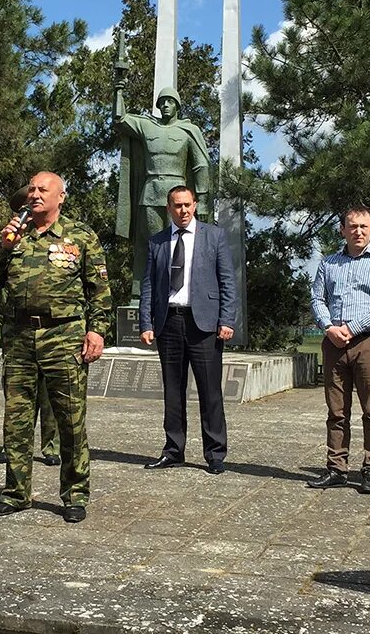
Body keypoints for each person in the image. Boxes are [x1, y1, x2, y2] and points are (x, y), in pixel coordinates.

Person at [0, 171, 112, 523]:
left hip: (64, 336)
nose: (35, 195)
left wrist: (97, 332)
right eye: (32, 190)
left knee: (70, 420)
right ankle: (16, 493)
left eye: (43, 190)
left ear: (61, 197)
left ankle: (74, 493)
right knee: (16, 420)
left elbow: (99, 291)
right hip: (20, 338)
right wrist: (5, 246)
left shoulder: (80, 236)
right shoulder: (15, 234)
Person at [138, 185, 236, 475]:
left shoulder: (214, 236)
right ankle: (173, 450)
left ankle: (215, 453)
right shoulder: (157, 242)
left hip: (204, 324)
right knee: (172, 391)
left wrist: (227, 320)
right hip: (169, 322)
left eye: (187, 205)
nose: (183, 211)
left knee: (210, 392)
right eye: (177, 206)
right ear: (169, 208)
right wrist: (146, 322)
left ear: (195, 205)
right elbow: (148, 285)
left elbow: (227, 281)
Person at [307, 206, 370, 494]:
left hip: (367, 342)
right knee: (336, 411)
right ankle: (336, 468)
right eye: (352, 226)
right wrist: (328, 326)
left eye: (363, 226)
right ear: (342, 230)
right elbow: (317, 298)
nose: (358, 231)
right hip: (333, 342)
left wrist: (352, 328)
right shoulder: (329, 263)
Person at [0, 185, 60, 468]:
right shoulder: (10, 239)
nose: (25, 213)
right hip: (17, 333)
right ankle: (11, 446)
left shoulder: (57, 236)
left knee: (50, 395)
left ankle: (50, 445)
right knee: (15, 398)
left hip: (53, 334)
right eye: (22, 208)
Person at [115, 87, 211, 299]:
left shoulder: (188, 131)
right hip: (150, 193)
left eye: (170, 101)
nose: (166, 105)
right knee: (148, 246)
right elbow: (120, 119)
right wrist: (119, 89)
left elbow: (200, 166)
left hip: (178, 196)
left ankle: (176, 293)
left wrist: (202, 201)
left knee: (178, 245)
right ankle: (142, 294)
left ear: (177, 105)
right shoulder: (147, 126)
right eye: (162, 102)